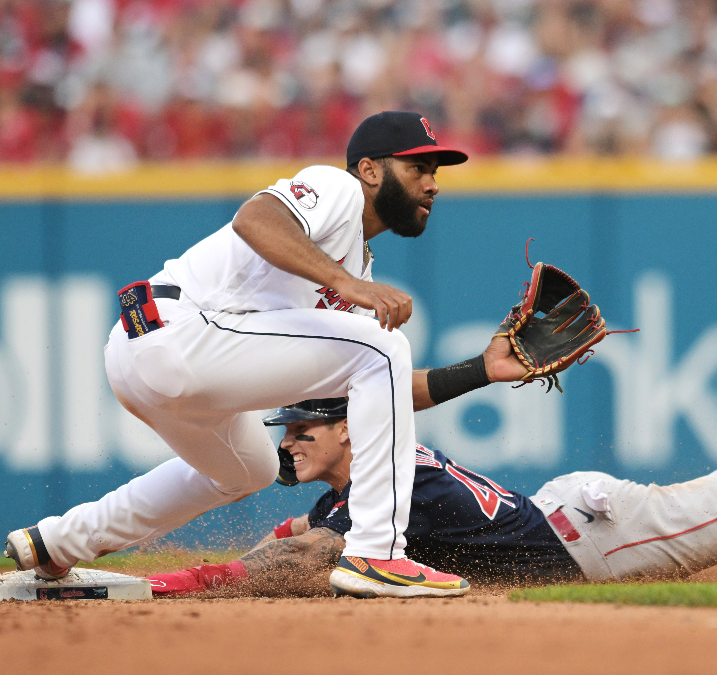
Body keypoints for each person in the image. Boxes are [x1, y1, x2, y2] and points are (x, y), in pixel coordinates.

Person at [4, 111, 533, 599]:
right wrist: (345, 284)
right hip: (174, 329)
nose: (432, 183)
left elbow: (383, 388)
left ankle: (57, 543)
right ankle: (376, 552)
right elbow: (255, 219)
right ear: (370, 170)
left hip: (150, 359)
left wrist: (481, 370)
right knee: (383, 347)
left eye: (434, 172)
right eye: (418, 168)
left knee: (248, 471)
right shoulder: (338, 189)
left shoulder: (356, 269)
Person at [148, 324, 717, 595]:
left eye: (304, 424)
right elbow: (298, 537)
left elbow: (302, 557)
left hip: (593, 542)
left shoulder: (385, 482)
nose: (288, 439)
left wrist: (173, 583)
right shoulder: (362, 486)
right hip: (566, 513)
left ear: (348, 428)